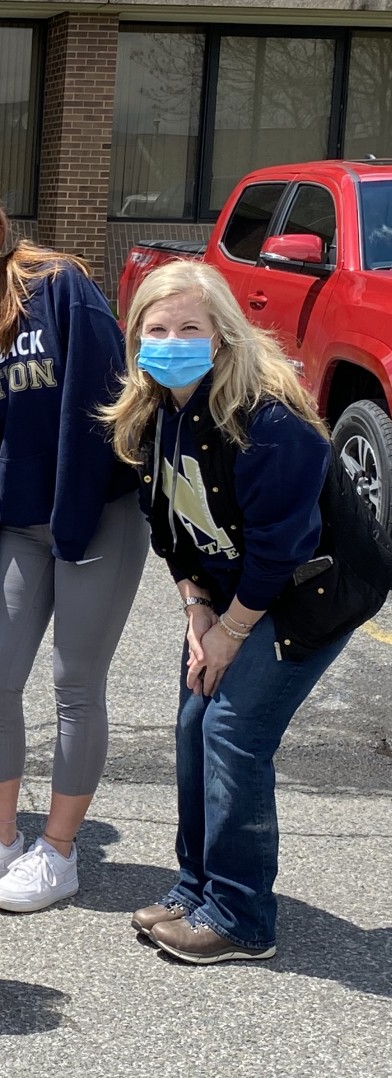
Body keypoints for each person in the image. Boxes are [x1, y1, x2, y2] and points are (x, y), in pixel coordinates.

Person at [102, 261, 378, 963]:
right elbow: (168, 528)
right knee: (194, 722)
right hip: (227, 593)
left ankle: (241, 916)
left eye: (189, 327)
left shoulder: (268, 424)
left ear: (221, 336)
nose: (170, 341)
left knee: (232, 731)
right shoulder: (152, 414)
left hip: (310, 591)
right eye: (156, 328)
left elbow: (282, 550)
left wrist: (228, 634)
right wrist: (196, 611)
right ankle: (196, 888)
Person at [0, 180, 147, 913]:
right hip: (18, 532)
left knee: (76, 686)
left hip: (95, 521)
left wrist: (74, 521)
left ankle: (61, 852)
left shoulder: (60, 287)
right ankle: (6, 838)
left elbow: (105, 403)